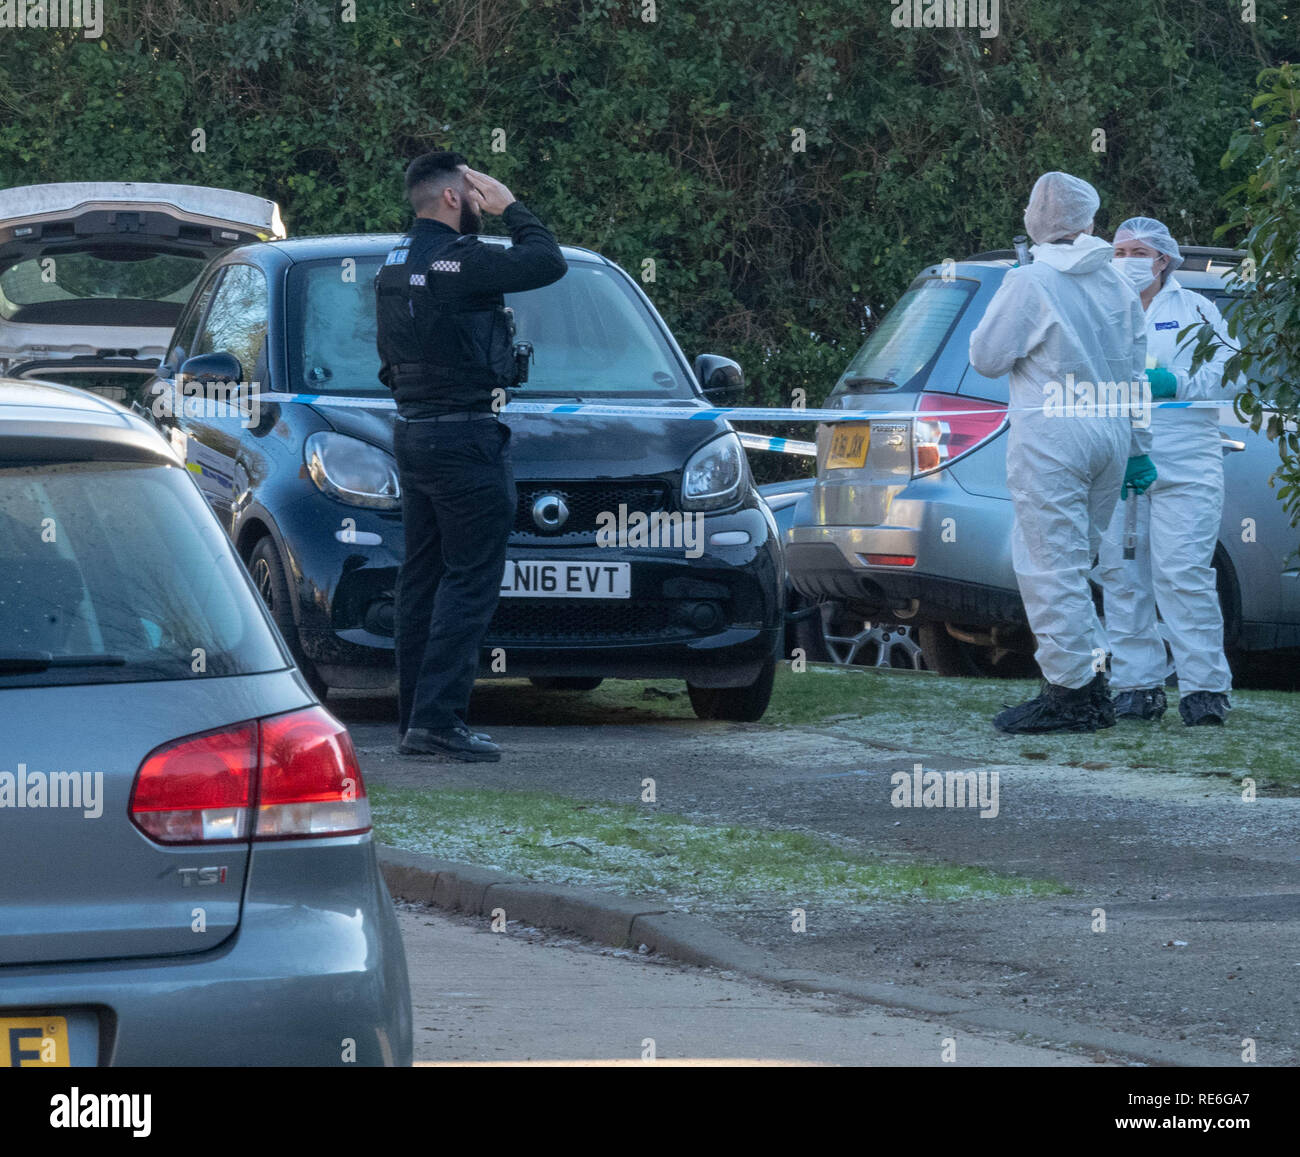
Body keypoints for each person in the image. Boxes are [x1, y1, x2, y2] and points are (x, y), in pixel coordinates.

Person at [376, 152, 566, 760]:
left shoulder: (394, 259)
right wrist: (512, 206)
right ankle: (439, 721)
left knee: (422, 578)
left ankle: (416, 718)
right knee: (469, 580)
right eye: (473, 188)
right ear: (454, 198)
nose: (481, 198)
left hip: (414, 432)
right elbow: (546, 262)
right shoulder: (462, 260)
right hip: (464, 437)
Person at [970, 172, 1154, 733]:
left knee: (1050, 565)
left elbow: (986, 357)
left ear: (1035, 219)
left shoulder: (1031, 282)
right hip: (1109, 435)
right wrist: (1139, 448)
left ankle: (1072, 695)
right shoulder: (1119, 285)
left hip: (1054, 434)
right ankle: (1091, 685)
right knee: (1079, 564)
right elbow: (1136, 373)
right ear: (1091, 222)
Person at [1096, 217, 1234, 725]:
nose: (1125, 260)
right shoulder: (1100, 309)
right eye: (1118, 251)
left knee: (1184, 574)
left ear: (1162, 259)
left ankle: (1204, 690)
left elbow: (1227, 371)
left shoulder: (1196, 308)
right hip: (1116, 454)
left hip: (1186, 456)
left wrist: (1171, 381)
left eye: (1136, 251)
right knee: (1122, 572)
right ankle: (1136, 685)